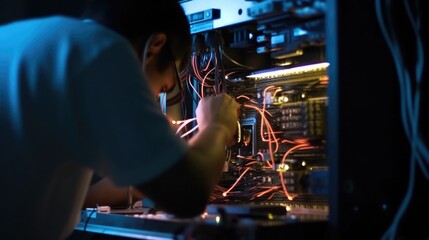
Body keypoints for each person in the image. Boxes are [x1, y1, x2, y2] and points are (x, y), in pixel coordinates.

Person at [0, 0, 239, 239]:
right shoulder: (102, 52)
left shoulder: (26, 41)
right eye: (164, 87)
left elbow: (36, 191)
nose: (155, 98)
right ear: (155, 46)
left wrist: (145, 172)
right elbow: (188, 195)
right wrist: (216, 125)